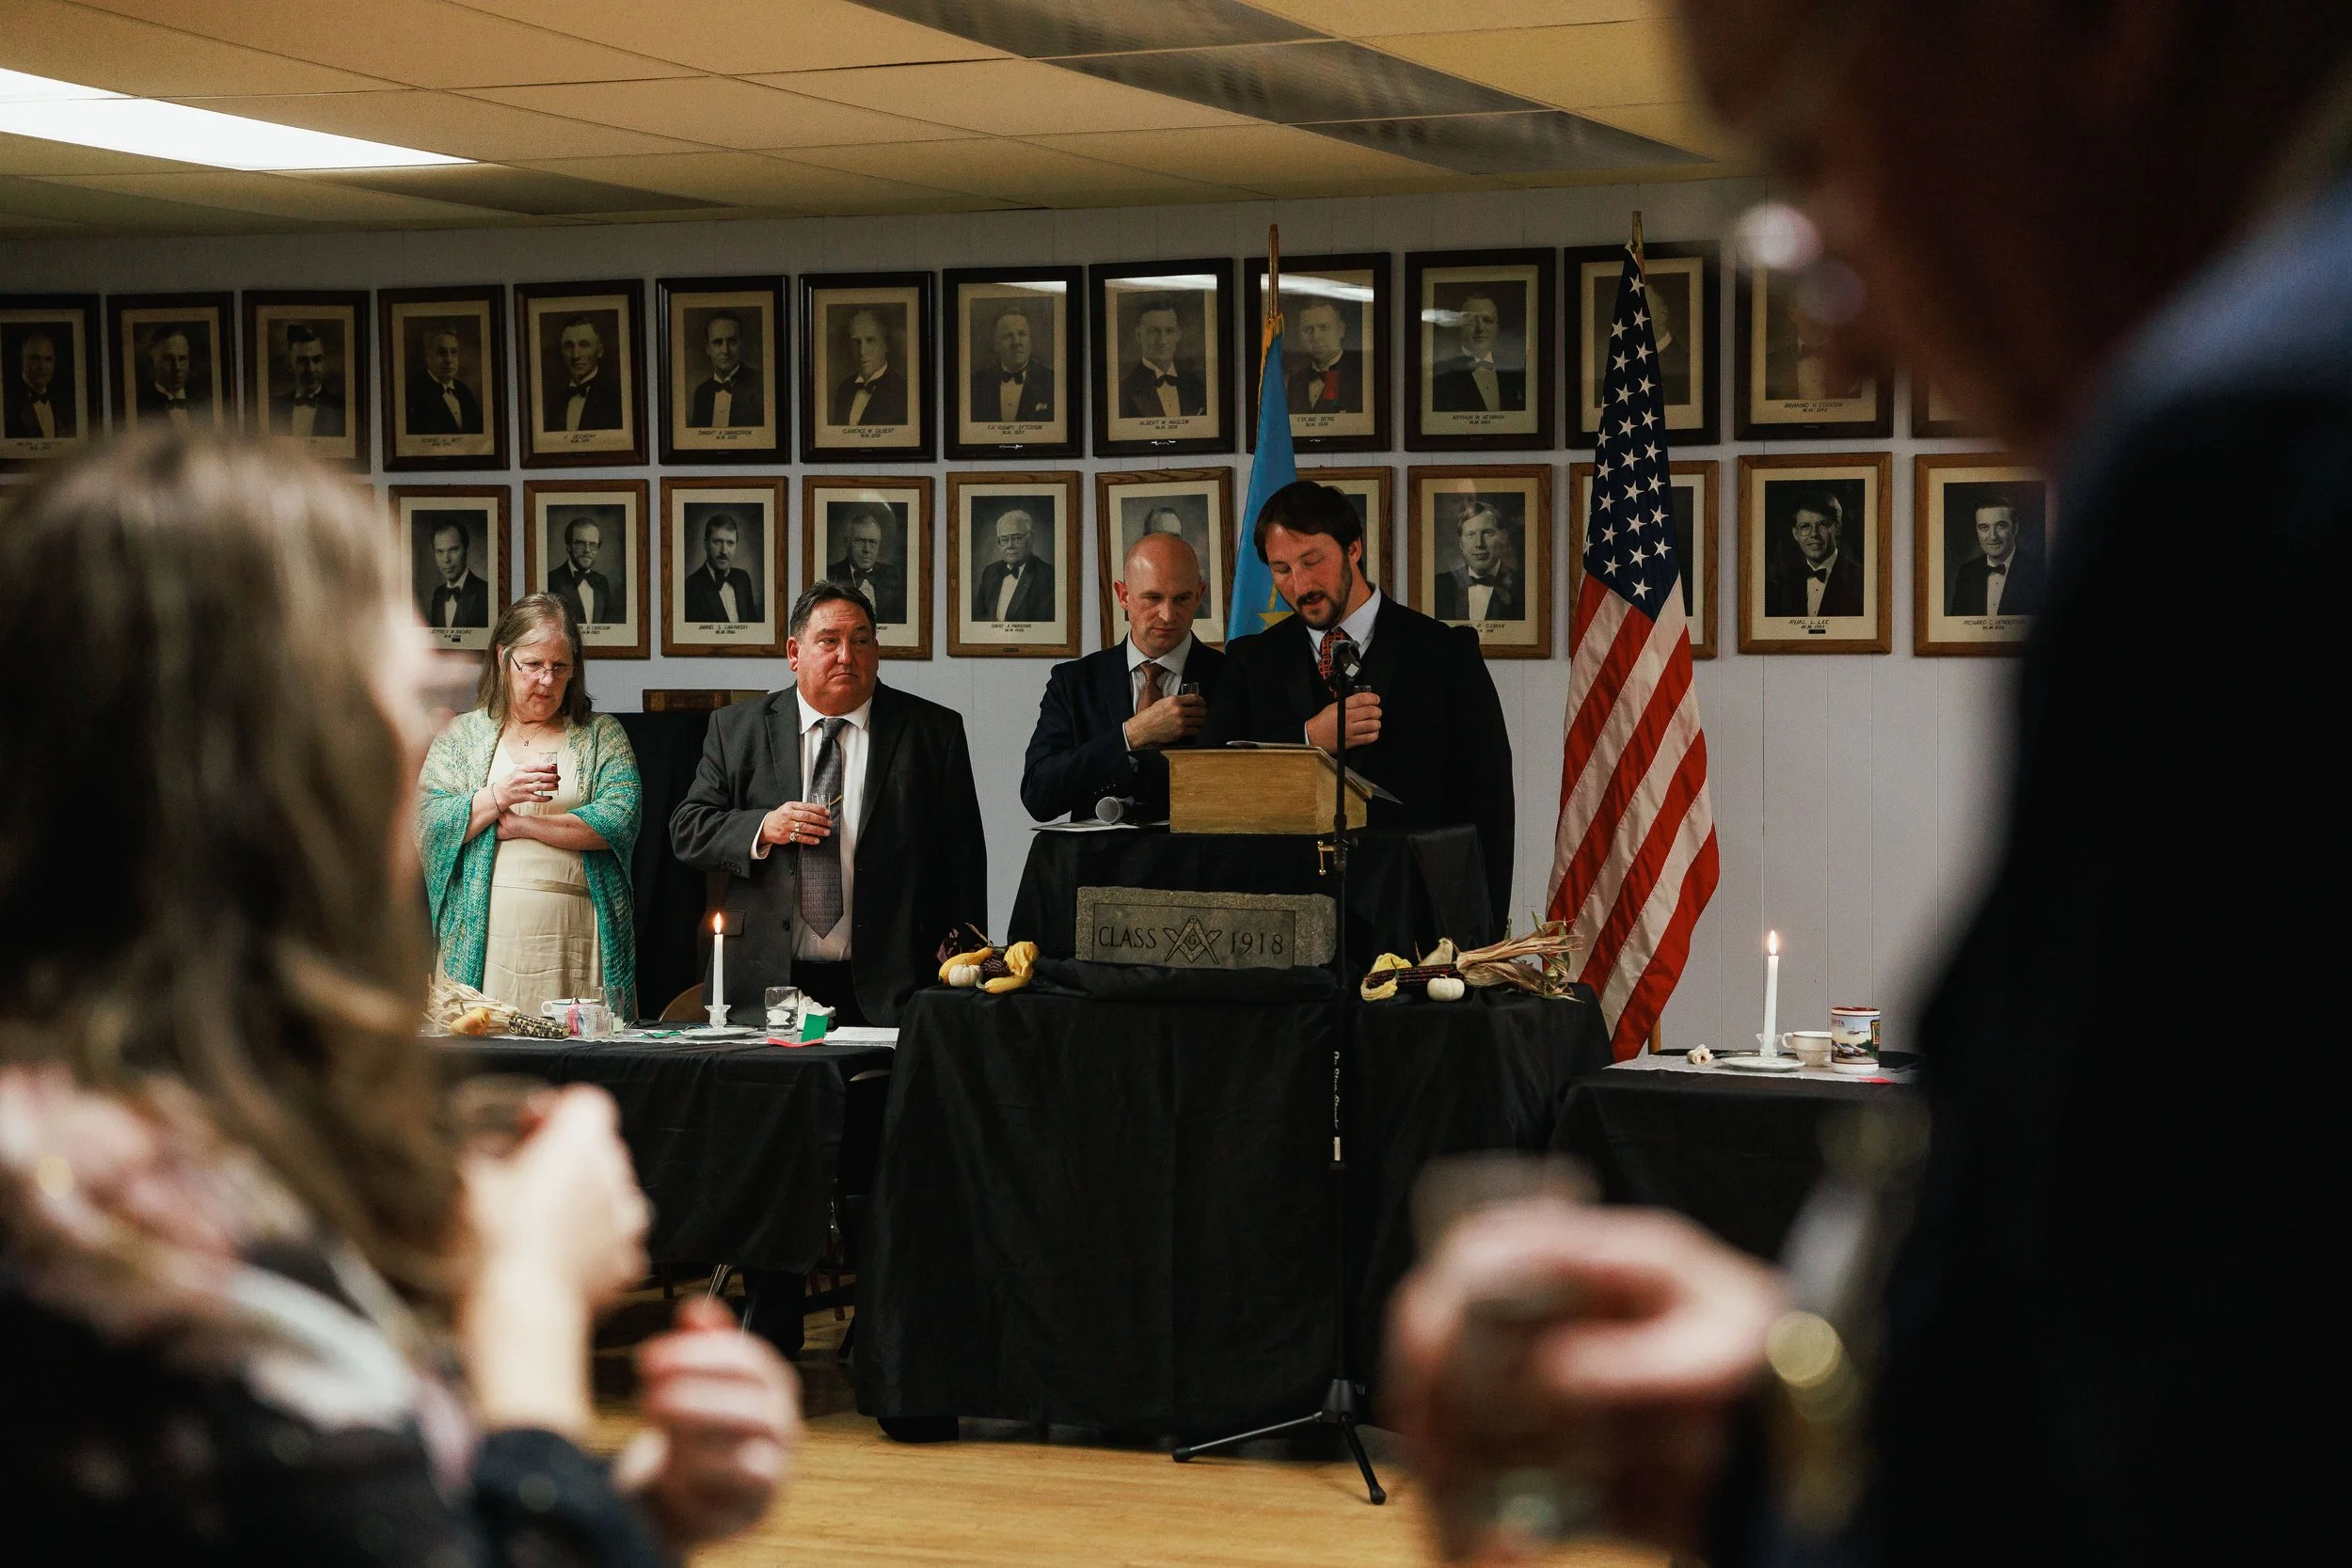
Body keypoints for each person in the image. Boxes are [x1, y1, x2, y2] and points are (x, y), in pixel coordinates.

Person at [1389, 4, 2348, 1565]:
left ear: (2104, 34)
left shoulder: (2252, 453)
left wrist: (1811, 1490)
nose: (1841, 342)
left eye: (1815, 158)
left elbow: (2169, 1481)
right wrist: (1788, 1415)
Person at [0, 433, 793, 1561]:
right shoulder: (110, 1220)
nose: (424, 738)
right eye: (406, 693)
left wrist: (630, 1505)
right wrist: (530, 1306)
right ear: (273, 758)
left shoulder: (213, 1109)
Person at [670, 581, 987, 1030]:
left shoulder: (932, 731)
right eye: (829, 641)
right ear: (794, 653)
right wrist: (764, 827)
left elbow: (964, 863)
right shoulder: (737, 729)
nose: (846, 656)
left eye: (861, 641)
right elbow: (688, 829)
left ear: (877, 651)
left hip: (894, 983)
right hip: (764, 981)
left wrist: (964, 973)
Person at [1203, 479, 1514, 929]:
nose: (1300, 585)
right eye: (1281, 569)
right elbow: (1209, 778)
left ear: (1353, 548)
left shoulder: (1446, 652)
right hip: (1286, 919)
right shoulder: (1251, 659)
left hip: (1417, 916)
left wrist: (1486, 929)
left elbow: (1489, 803)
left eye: (1312, 562)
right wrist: (1308, 739)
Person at [418, 594, 642, 1021]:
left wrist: (522, 826)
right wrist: (498, 796)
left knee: (582, 1049)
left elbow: (619, 819)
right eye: (533, 664)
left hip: (577, 939)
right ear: (503, 658)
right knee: (486, 1047)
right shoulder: (461, 736)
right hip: (487, 943)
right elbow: (428, 823)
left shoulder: (601, 735)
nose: (546, 680)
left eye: (560, 667)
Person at [1021, 531, 1228, 822]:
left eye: (1182, 598)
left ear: (1199, 595)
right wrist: (1131, 735)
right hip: (1100, 852)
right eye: (1153, 598)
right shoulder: (1073, 682)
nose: (1168, 615)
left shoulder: (1232, 677)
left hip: (1197, 850)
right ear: (1123, 596)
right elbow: (1038, 796)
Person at [1762, 488, 1865, 616]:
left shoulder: (1861, 579)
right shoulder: (1784, 583)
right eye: (1805, 526)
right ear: (1795, 533)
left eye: (1823, 524)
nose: (1814, 534)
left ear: (1837, 528)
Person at [1947, 496, 2042, 616]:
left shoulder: (2039, 570)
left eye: (2001, 526)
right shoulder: (1966, 572)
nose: (1993, 536)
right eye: (1984, 527)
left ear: (2015, 528)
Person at [1429, 501, 1525, 621]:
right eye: (1471, 535)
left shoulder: (1523, 587)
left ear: (1503, 537)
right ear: (1461, 543)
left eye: (1488, 533)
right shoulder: (1438, 586)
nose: (1479, 544)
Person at [1431, 292, 1523, 413]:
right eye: (1471, 321)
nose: (1480, 328)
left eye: (1487, 320)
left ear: (1497, 328)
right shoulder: (1439, 376)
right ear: (1458, 327)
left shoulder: (1516, 373)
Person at [1118, 294, 1207, 418]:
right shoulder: (1123, 391)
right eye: (1153, 331)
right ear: (1138, 335)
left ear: (1178, 335)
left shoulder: (1195, 385)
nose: (1162, 341)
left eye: (1169, 331)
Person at [973, 304, 1054, 423]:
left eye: (1022, 334)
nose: (1016, 342)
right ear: (996, 345)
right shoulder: (976, 384)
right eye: (1008, 336)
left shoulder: (1052, 381)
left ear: (1030, 342)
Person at [824, 506, 906, 623]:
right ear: (847, 543)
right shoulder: (829, 575)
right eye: (859, 541)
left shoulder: (893, 577)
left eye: (873, 542)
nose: (867, 549)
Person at [971, 507, 1054, 623]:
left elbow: (1045, 628)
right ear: (999, 543)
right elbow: (978, 620)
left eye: (1016, 538)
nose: (1010, 545)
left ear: (1031, 539)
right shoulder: (990, 571)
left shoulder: (1048, 576)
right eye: (1004, 539)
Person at [1285, 297, 1363, 415]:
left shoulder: (1361, 376)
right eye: (1308, 329)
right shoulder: (1296, 381)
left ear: (1341, 330)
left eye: (1323, 328)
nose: (1316, 337)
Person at [829, 308, 906, 425]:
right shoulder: (844, 389)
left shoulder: (902, 391)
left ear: (885, 345)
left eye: (870, 340)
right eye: (856, 342)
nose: (862, 351)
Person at [268, 322, 346, 437]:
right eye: (302, 361)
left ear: (324, 363)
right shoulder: (274, 407)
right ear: (289, 364)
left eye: (317, 360)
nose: (311, 369)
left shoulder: (341, 408)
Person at [687, 310, 763, 428]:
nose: (725, 351)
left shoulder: (761, 385)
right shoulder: (701, 393)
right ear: (708, 349)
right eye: (718, 343)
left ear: (741, 344)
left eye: (732, 342)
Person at [682, 511, 759, 624]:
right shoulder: (689, 588)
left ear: (736, 546)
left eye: (730, 543)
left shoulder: (743, 578)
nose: (724, 551)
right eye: (717, 542)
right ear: (706, 544)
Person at [406, 324, 484, 436]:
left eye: (454, 352)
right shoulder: (412, 393)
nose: (449, 360)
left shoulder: (465, 392)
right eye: (442, 352)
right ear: (427, 356)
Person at [549, 315, 622, 433]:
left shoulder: (617, 399)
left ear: (600, 351)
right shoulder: (554, 402)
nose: (576, 355)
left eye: (584, 345)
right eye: (569, 346)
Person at [548, 515, 621, 626]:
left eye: (593, 545)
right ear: (568, 547)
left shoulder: (602, 582)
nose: (587, 550)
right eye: (580, 543)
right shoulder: (551, 580)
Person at [420, 517, 490, 629]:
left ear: (466, 550)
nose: (446, 559)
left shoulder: (486, 593)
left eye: (453, 550)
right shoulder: (438, 595)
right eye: (440, 552)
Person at [4, 328, 71, 439]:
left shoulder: (63, 406)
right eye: (35, 358)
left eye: (48, 359)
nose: (42, 367)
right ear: (22, 359)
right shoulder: (7, 405)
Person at [134, 327, 206, 428]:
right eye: (168, 359)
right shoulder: (140, 407)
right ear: (153, 362)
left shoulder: (203, 401)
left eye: (182, 359)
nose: (177, 367)